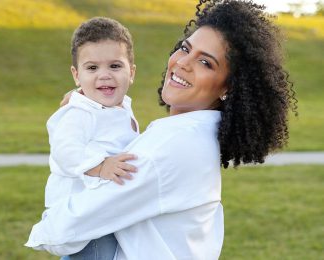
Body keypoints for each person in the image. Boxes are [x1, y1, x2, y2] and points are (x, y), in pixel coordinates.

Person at [25, 1, 297, 259]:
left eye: (206, 62)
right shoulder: (188, 137)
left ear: (228, 87)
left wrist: (44, 229)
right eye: (185, 48)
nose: (182, 63)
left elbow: (69, 229)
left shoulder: (175, 146)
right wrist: (85, 103)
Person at [32, 17, 139, 259]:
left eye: (115, 66)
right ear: (76, 75)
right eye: (92, 68)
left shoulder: (119, 106)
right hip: (85, 219)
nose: (104, 76)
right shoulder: (78, 113)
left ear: (131, 72)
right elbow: (65, 151)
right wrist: (101, 165)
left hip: (105, 212)